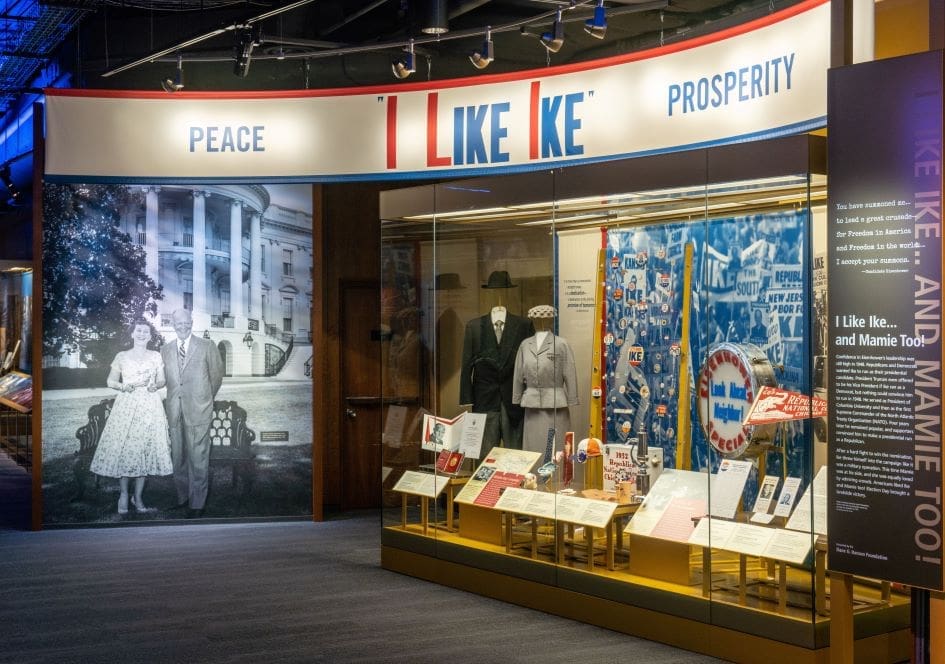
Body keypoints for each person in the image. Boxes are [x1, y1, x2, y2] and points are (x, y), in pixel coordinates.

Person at [90, 318, 173, 516]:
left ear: (150, 336)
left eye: (146, 331)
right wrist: (123, 386)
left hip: (149, 406)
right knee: (126, 448)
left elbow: (162, 380)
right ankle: (124, 494)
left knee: (144, 448)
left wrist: (155, 385)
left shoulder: (155, 356)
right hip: (126, 405)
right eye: (139, 331)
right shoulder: (122, 356)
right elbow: (110, 381)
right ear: (132, 334)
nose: (142, 334)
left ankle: (138, 496)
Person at [160, 308, 224, 517]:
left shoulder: (207, 346)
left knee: (198, 458)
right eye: (178, 323)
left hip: (199, 410)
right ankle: (183, 498)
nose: (183, 326)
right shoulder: (165, 349)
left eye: (186, 322)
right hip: (174, 410)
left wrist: (204, 399)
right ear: (173, 325)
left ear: (192, 322)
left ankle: (197, 504)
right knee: (178, 458)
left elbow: (216, 377)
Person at [459, 271, 534, 450]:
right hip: (484, 400)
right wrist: (466, 398)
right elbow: (466, 364)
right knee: (484, 453)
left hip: (515, 401)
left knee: (515, 455)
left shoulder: (524, 325)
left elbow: (530, 364)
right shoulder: (474, 327)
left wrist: (530, 394)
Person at [511, 305, 580, 457]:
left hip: (555, 405)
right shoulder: (525, 345)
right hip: (532, 406)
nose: (541, 321)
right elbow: (518, 373)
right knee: (533, 447)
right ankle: (535, 472)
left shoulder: (561, 344)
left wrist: (572, 397)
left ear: (551, 319)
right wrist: (517, 396)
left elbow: (569, 370)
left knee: (554, 446)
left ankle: (553, 472)